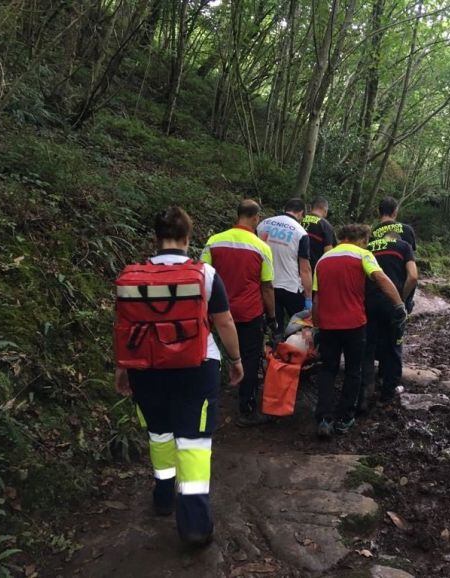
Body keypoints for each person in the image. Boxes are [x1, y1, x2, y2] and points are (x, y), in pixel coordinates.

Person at [114, 206, 243, 547]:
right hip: (195, 368)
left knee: (158, 433)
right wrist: (236, 359)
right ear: (188, 238)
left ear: (156, 239)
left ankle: (162, 497)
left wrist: (123, 367)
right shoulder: (206, 274)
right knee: (193, 443)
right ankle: (195, 526)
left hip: (146, 369)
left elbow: (128, 327)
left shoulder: (132, 278)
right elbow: (225, 322)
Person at [312, 224, 407, 439]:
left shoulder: (323, 259)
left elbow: (316, 298)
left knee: (328, 370)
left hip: (327, 324)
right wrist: (399, 305)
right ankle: (345, 418)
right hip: (354, 323)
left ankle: (324, 418)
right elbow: (382, 279)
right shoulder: (363, 255)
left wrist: (317, 325)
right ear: (362, 240)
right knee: (354, 371)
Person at [201, 199, 277, 427]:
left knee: (212, 355)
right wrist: (272, 317)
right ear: (255, 218)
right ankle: (246, 407)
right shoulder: (262, 248)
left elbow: (201, 276)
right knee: (250, 358)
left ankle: (209, 405)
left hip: (217, 312)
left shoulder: (214, 241)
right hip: (249, 313)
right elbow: (267, 287)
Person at [360, 231, 418, 410]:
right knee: (394, 345)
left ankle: (365, 391)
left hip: (369, 303)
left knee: (368, 347)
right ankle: (388, 392)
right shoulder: (404, 246)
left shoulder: (368, 248)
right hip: (392, 303)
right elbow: (413, 276)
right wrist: (401, 298)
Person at [257, 198, 313, 327]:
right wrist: (308, 296)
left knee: (274, 326)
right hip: (290, 286)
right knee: (298, 328)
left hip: (266, 284)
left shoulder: (263, 224)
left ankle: (274, 344)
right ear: (300, 213)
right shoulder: (301, 232)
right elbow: (305, 269)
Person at [371, 196, 417, 311]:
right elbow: (412, 270)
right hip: (401, 290)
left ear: (378, 211)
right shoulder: (407, 230)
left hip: (376, 293)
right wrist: (403, 298)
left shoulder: (370, 234)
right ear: (395, 212)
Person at [301, 197, 337, 270]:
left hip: (294, 266)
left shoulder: (299, 219)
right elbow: (328, 252)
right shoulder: (326, 226)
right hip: (314, 268)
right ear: (325, 210)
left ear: (311, 208)